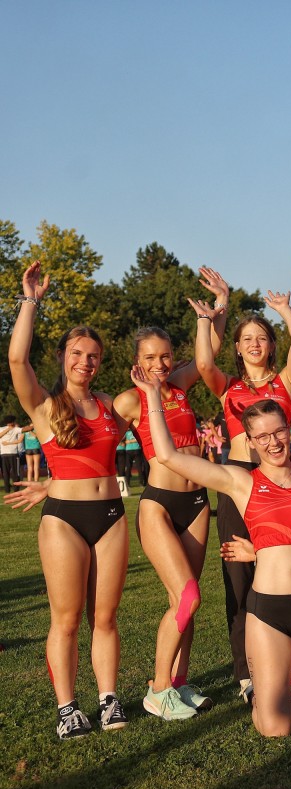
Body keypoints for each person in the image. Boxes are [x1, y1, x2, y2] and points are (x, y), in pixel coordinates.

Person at [138, 369, 291, 736]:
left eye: (278, 432)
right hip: (268, 610)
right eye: (262, 437)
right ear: (251, 441)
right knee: (275, 727)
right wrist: (152, 396)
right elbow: (166, 455)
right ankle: (269, 689)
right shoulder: (240, 481)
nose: (273, 442)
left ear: (289, 430)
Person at [7, 261, 130, 739]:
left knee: (106, 616)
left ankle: (108, 699)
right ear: (62, 356)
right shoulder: (42, 404)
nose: (86, 361)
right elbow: (18, 360)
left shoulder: (111, 407)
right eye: (77, 353)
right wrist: (30, 300)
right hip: (64, 521)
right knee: (67, 617)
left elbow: (174, 378)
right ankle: (68, 709)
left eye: (94, 355)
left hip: (111, 517)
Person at [111, 267, 230, 720]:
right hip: (159, 506)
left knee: (189, 598)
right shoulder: (129, 400)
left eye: (166, 356)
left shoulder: (180, 385)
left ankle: (178, 683)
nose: (160, 365)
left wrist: (221, 302)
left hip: (197, 503)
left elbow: (211, 349)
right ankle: (157, 691)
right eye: (151, 358)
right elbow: (101, 442)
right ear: (137, 361)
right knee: (187, 597)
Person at [195, 275, 291, 701]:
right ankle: (247, 675)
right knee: (239, 577)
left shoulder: (285, 383)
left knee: (284, 569)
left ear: (270, 345)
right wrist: (210, 318)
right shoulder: (229, 387)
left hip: (280, 480)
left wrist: (283, 309)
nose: (255, 343)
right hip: (239, 479)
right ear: (239, 347)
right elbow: (204, 364)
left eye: (262, 337)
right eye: (247, 338)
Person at [0, 417, 28, 492]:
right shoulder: (2, 429)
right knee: (8, 473)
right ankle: (9, 489)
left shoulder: (16, 429)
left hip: (12, 453)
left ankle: (13, 488)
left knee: (14, 472)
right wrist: (8, 429)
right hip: (7, 453)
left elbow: (24, 430)